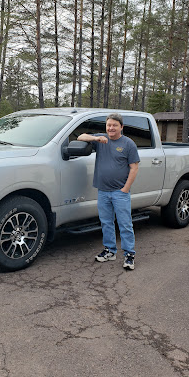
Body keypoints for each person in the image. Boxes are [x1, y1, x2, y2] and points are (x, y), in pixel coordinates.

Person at [77, 113, 140, 270]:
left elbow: (134, 168)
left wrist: (125, 189)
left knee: (125, 224)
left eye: (114, 125)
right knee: (106, 222)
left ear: (121, 127)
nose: (111, 128)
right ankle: (110, 251)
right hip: (103, 191)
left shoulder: (128, 144)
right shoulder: (101, 139)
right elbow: (80, 137)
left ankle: (129, 255)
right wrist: (95, 139)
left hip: (120, 192)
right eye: (109, 125)